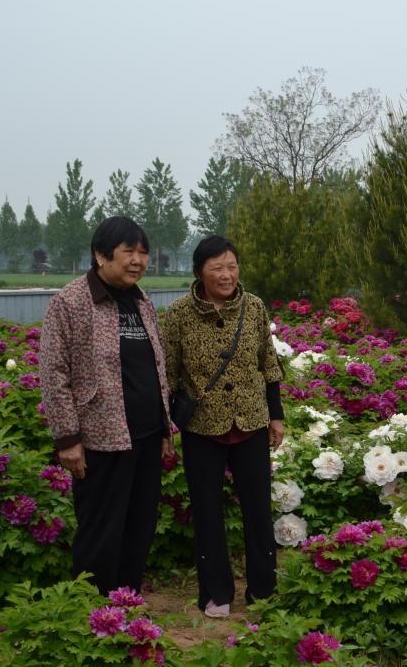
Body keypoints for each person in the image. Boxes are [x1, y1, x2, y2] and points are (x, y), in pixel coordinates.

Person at [40, 216, 174, 595]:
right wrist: (68, 439)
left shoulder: (141, 301)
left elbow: (155, 365)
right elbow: (53, 372)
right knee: (101, 528)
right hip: (101, 438)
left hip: (146, 434)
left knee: (139, 524)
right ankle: (93, 606)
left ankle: (126, 600)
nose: (138, 261)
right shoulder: (71, 302)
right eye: (129, 251)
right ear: (100, 255)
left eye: (143, 253)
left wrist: (165, 427)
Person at [162, 235, 285, 618]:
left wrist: (276, 415)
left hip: (250, 422)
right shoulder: (179, 314)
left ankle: (263, 589)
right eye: (217, 268)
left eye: (232, 266)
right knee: (207, 512)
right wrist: (166, 426)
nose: (227, 274)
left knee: (258, 510)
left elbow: (268, 363)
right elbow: (168, 375)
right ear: (200, 271)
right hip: (202, 428)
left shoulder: (254, 307)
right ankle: (215, 592)